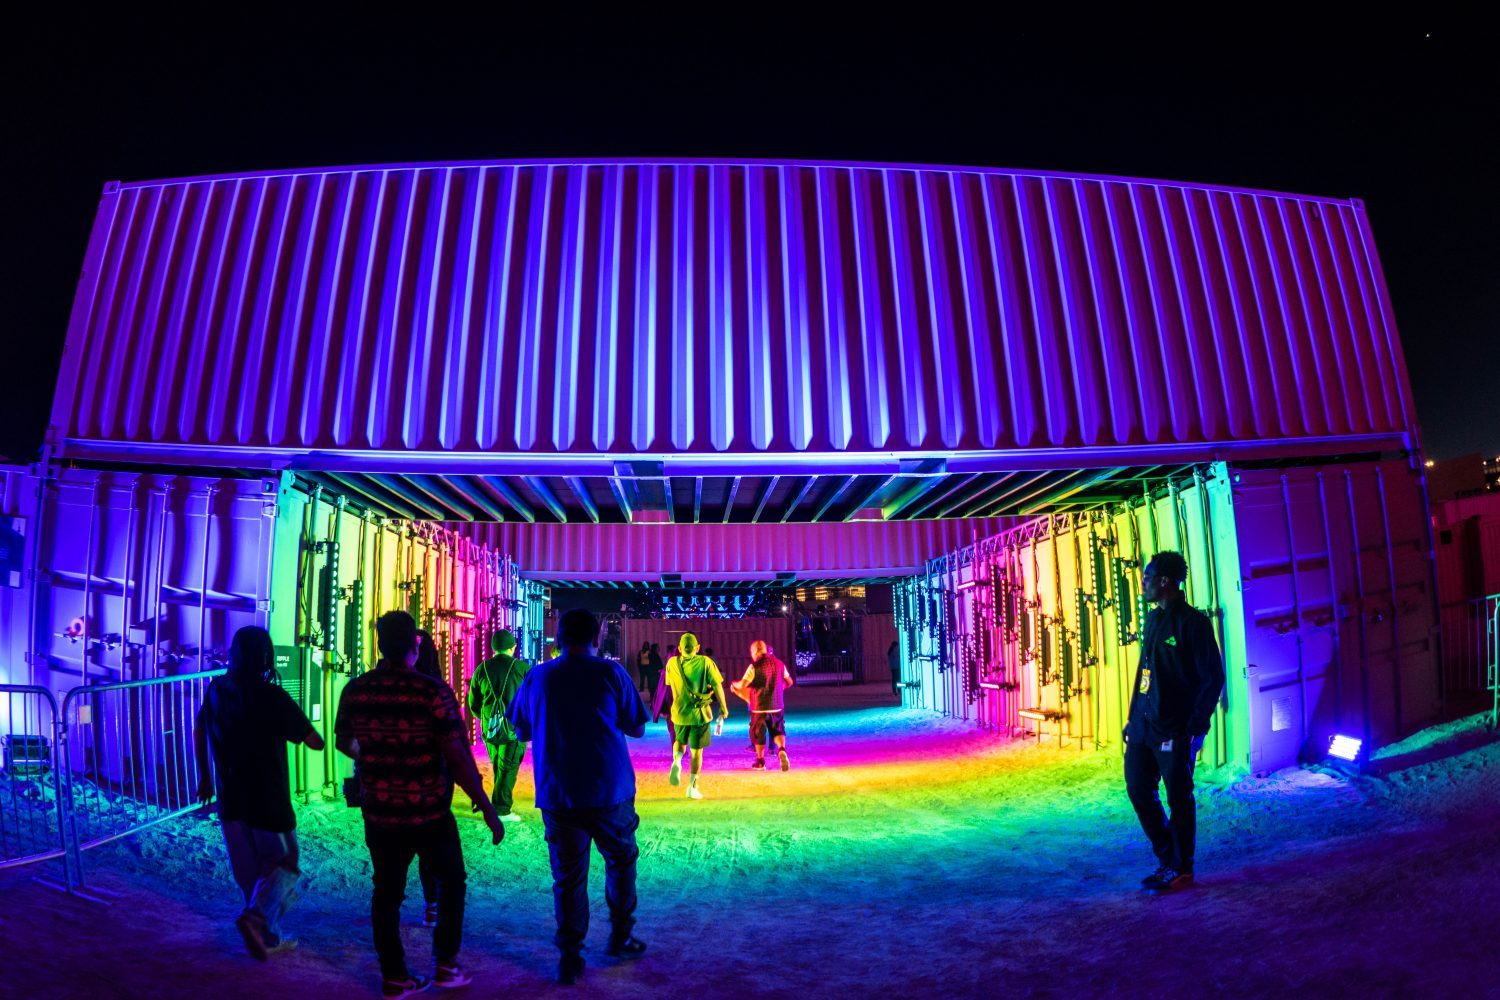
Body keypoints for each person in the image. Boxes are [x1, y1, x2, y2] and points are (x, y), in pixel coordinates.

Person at [335, 610, 506, 998]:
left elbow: (343, 740)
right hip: (429, 811)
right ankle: (446, 965)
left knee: (387, 892)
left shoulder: (357, 690)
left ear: (379, 644)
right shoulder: (432, 692)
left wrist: (370, 753)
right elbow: (457, 756)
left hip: (380, 811)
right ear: (416, 643)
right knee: (452, 883)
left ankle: (395, 976)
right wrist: (487, 806)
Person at [507, 609, 649, 986]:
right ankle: (621, 936)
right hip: (609, 789)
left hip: (558, 792)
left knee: (568, 877)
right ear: (598, 636)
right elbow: (636, 726)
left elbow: (520, 730)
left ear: (557, 636)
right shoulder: (610, 672)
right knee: (620, 861)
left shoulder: (537, 676)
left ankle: (570, 956)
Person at [194, 625, 324, 960]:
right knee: (285, 864)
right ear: (266, 657)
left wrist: (205, 777)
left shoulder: (217, 688)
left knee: (250, 873)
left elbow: (199, 729)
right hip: (268, 799)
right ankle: (256, 921)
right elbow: (315, 742)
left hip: (230, 797)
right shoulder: (273, 696)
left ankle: (267, 935)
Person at [1124, 551, 1226, 894]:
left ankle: (1181, 868)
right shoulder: (1153, 620)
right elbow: (1144, 672)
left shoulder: (1193, 624)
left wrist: (1195, 727)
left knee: (1179, 797)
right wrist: (1131, 718)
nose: (1144, 583)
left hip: (1174, 729)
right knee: (1138, 788)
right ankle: (1168, 857)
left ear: (1166, 581)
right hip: (1143, 726)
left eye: (1148, 577)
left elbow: (1212, 678)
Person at [467, 629, 530, 823]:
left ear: (493, 648)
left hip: (490, 728)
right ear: (513, 647)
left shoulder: (482, 668)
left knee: (497, 765)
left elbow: (473, 704)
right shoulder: (522, 668)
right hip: (513, 728)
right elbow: (532, 699)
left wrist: (488, 719)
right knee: (508, 766)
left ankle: (498, 803)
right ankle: (501, 809)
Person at [411, 630, 452, 929]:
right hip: (431, 784)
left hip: (383, 792)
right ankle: (433, 906)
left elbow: (345, 741)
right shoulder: (437, 690)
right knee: (431, 848)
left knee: (387, 862)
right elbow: (454, 746)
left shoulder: (365, 686)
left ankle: (392, 966)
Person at [663, 633, 728, 799]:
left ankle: (676, 761)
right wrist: (723, 707)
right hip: (700, 714)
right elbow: (718, 686)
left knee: (679, 741)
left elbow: (670, 685)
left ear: (679, 649)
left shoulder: (671, 662)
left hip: (679, 713)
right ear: (697, 648)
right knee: (696, 753)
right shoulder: (706, 662)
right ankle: (692, 787)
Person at [730, 640, 794, 771]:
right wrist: (778, 689)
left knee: (758, 734)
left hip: (759, 708)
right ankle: (781, 750)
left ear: (755, 652)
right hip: (777, 705)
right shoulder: (780, 664)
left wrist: (733, 685)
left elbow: (742, 685)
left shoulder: (754, 666)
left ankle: (760, 761)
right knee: (778, 730)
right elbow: (790, 682)